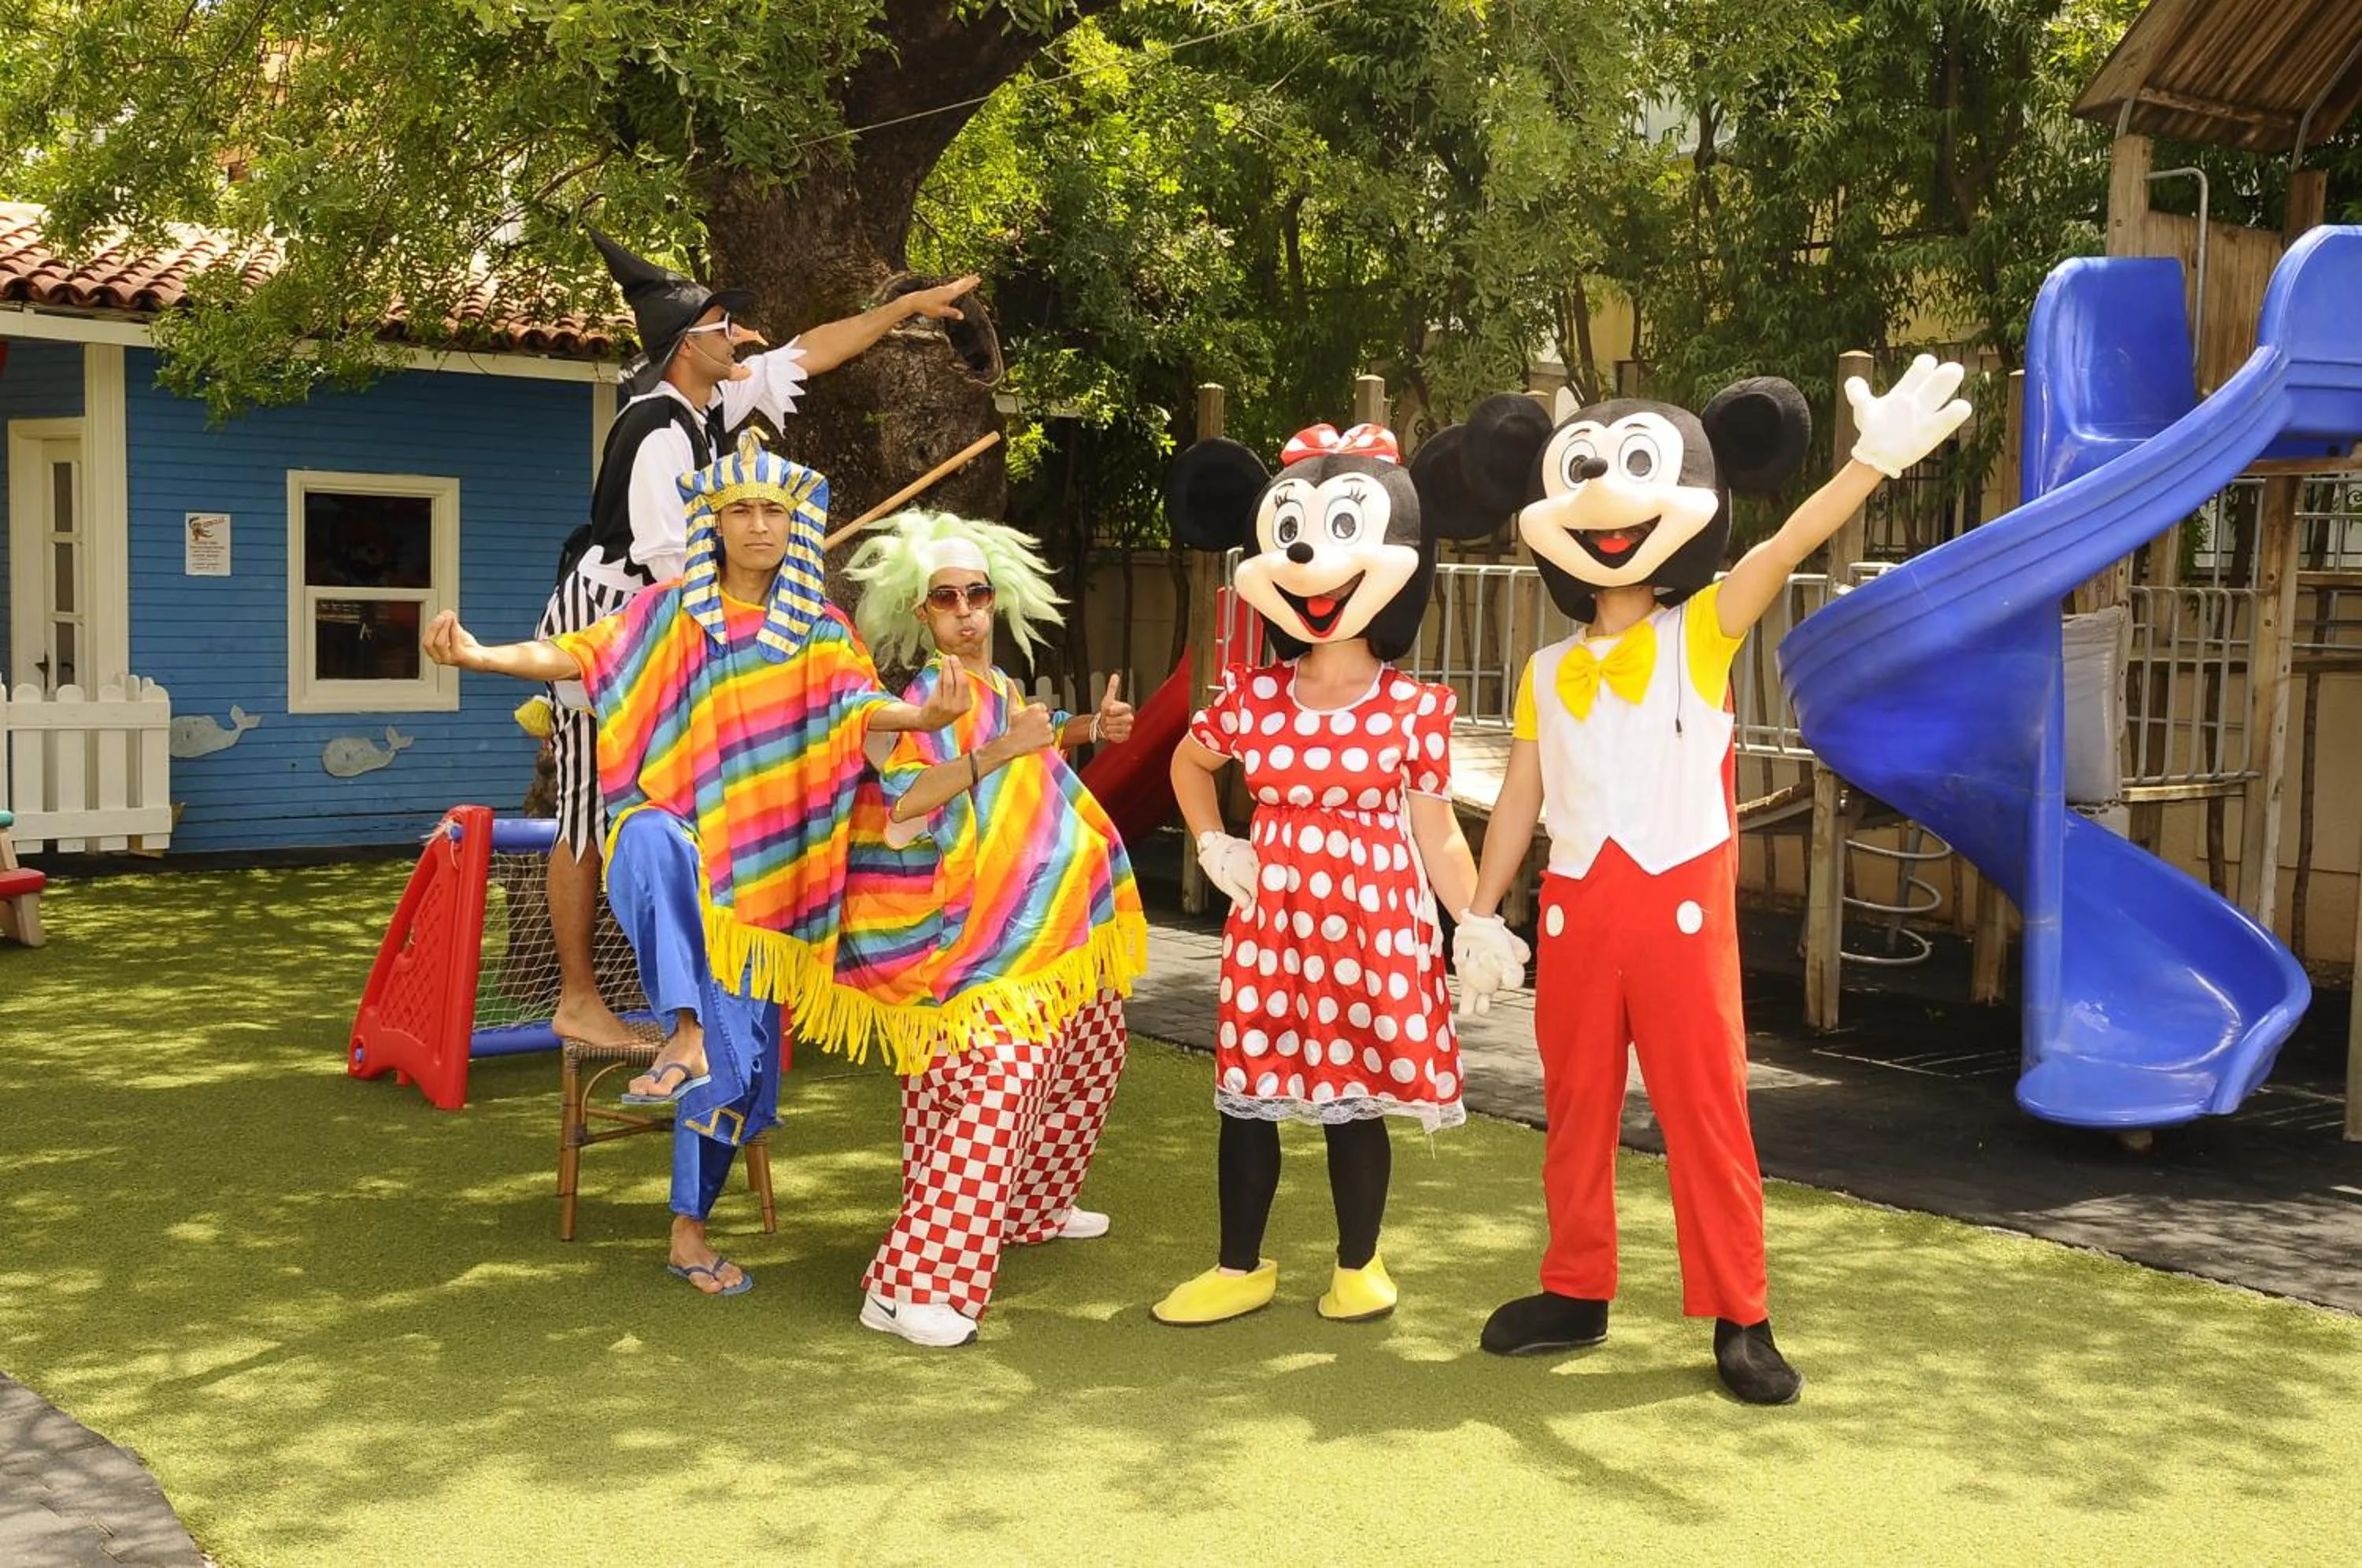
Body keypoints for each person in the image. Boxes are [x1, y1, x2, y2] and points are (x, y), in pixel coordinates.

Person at [1436, 357, 1971, 1402]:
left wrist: (1869, 464)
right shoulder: (1548, 671)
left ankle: (1741, 1313)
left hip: (1681, 913)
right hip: (1580, 909)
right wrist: (1478, 911)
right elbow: (1519, 799)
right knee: (1577, 1107)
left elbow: (1788, 542)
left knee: (1707, 1112)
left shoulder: (1705, 630)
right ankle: (1578, 1287)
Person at [425, 434, 968, 1294]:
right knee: (640, 834)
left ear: (796, 526)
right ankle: (685, 1028)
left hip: (759, 892)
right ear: (713, 524)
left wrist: (923, 717)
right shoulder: (668, 612)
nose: (758, 525)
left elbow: (862, 712)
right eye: (741, 511)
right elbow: (581, 653)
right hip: (675, 853)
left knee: (745, 1073)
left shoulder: (820, 632)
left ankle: (689, 1228)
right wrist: (481, 655)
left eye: (774, 512)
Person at [536, 227, 979, 1105]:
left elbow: (808, 354)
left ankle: (715, 981)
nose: (744, 339)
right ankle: (581, 997)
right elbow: (673, 571)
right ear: (687, 346)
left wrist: (903, 310)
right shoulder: (656, 429)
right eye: (726, 325)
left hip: (685, 624)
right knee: (595, 808)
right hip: (622, 626)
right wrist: (760, 601)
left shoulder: (709, 405)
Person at [1151, 421, 1524, 1329]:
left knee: (1356, 1103)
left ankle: (1359, 1265)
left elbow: (1436, 833)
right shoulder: (1251, 694)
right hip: (1273, 919)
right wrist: (1211, 842)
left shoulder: (1413, 707)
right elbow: (1187, 765)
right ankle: (1241, 1264)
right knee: (1250, 1097)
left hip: (1374, 924)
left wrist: (1474, 918)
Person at [831, 510, 1147, 1347]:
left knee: (1095, 1051)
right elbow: (903, 804)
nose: (966, 610)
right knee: (990, 1096)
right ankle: (905, 1287)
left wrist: (1087, 731)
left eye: (978, 593)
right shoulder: (916, 703)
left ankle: (1034, 1206)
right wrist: (998, 753)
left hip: (1051, 933)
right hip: (968, 949)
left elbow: (1028, 749)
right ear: (919, 613)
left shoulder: (1001, 690)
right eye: (946, 598)